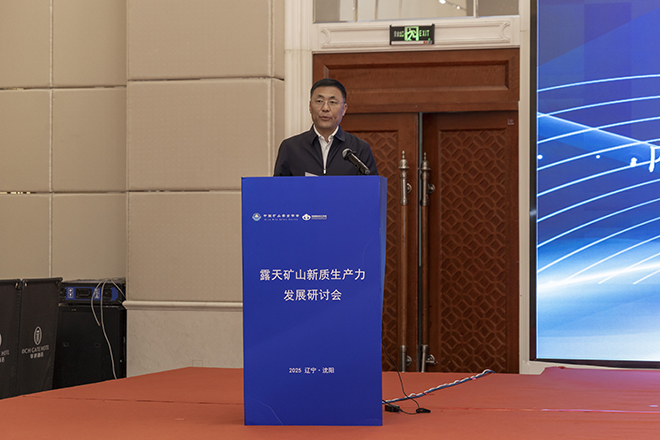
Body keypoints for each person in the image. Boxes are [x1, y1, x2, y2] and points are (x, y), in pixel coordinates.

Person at [273, 78, 378, 176]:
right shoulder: (290, 148)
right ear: (310, 106)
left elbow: (371, 187)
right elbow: (278, 188)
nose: (325, 108)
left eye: (332, 102)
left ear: (344, 109)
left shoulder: (360, 148)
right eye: (319, 101)